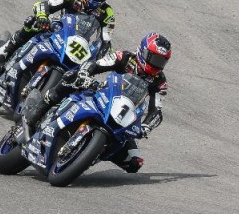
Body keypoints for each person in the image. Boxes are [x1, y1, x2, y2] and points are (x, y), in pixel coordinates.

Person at [23, 32, 171, 174]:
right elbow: (96, 64)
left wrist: (146, 127)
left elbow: (156, 111)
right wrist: (84, 74)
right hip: (102, 96)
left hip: (122, 116)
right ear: (143, 51)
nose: (156, 64)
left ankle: (90, 154)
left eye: (161, 61)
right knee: (70, 78)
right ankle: (37, 111)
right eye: (154, 58)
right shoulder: (124, 57)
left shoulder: (160, 82)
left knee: (134, 163)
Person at [0, 0, 116, 65]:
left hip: (78, 46)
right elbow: (45, 5)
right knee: (33, 22)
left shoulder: (107, 12)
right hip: (59, 28)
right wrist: (42, 16)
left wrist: (102, 57)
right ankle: (9, 47)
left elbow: (106, 40)